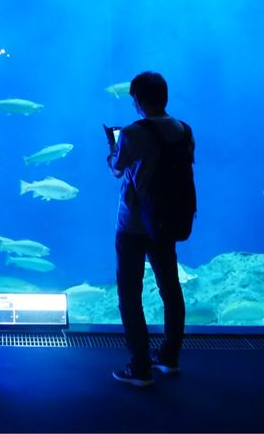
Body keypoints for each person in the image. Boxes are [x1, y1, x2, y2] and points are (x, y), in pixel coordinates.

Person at [107, 71, 194, 388]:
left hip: (133, 224)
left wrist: (112, 150)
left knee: (130, 293)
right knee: (170, 287)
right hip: (167, 220)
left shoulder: (132, 133)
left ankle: (140, 365)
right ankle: (169, 356)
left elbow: (117, 168)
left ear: (137, 100)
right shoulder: (184, 130)